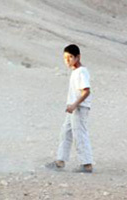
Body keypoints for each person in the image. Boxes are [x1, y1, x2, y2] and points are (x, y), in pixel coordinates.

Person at [46, 44, 94, 173]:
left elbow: (86, 91)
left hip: (79, 107)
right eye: (65, 58)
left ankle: (87, 164)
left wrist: (74, 104)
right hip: (73, 108)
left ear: (78, 57)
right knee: (65, 133)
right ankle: (60, 161)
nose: (67, 60)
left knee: (80, 134)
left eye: (70, 57)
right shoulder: (75, 72)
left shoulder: (81, 71)